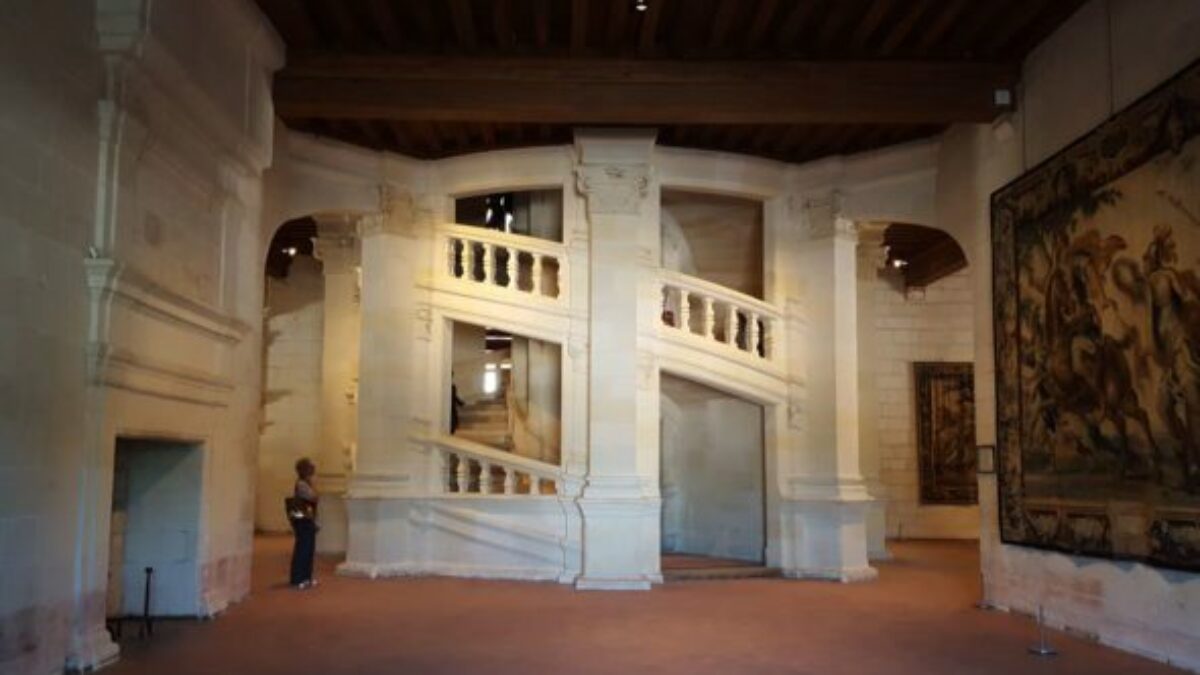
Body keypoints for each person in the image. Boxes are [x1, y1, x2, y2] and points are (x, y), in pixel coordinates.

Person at [288, 458, 319, 589]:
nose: (313, 469)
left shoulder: (306, 483)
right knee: (303, 549)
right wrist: (314, 490)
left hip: (307, 519)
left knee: (309, 549)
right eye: (311, 467)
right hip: (303, 520)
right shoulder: (302, 484)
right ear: (304, 469)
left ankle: (307, 577)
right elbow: (314, 497)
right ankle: (298, 578)